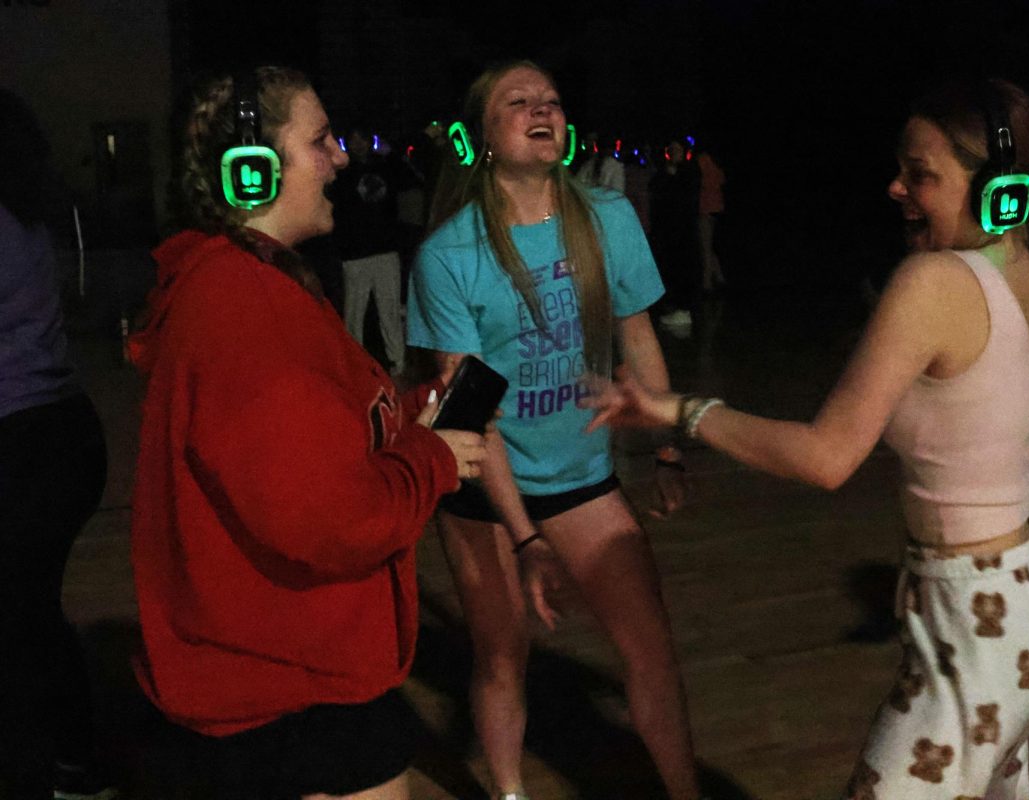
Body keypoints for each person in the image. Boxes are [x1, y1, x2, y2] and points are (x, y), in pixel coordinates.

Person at [592, 78, 1029, 799]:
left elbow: (825, 458)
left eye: (921, 174)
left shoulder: (933, 281)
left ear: (998, 187)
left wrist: (682, 410)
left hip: (975, 616)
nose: (896, 187)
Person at [128, 66, 487, 800]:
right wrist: (430, 458)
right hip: (290, 681)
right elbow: (333, 519)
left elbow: (314, 437)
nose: (342, 158)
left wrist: (415, 408)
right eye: (320, 142)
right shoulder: (244, 312)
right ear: (251, 171)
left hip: (287, 660)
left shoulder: (254, 281)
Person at [408, 60, 702, 800]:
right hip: (485, 485)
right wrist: (527, 539)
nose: (542, 110)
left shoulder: (607, 217)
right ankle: (510, 792)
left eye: (552, 101)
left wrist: (668, 446)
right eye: (519, 102)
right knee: (501, 657)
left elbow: (638, 339)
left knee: (651, 653)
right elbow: (469, 416)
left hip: (582, 479)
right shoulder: (450, 255)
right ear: (482, 134)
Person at [0, 87, 114, 800]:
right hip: (59, 433)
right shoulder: (27, 217)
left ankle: (65, 765)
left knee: (22, 615)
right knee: (28, 611)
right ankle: (71, 762)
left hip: (26, 443)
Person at [331, 119, 410, 373]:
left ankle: (397, 361)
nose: (357, 145)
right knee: (354, 314)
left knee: (390, 311)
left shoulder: (386, 166)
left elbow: (410, 175)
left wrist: (392, 153)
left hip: (385, 249)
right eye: (353, 140)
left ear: (370, 140)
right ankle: (355, 366)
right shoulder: (342, 173)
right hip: (354, 253)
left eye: (361, 139)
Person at [648, 139, 702, 331]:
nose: (673, 153)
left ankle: (684, 308)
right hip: (668, 231)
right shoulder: (664, 173)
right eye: (671, 149)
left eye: (677, 149)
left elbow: (686, 199)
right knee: (671, 267)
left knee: (684, 268)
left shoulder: (689, 173)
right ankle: (676, 306)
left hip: (684, 230)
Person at [695, 142, 726, 293]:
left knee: (705, 247)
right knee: (710, 245)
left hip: (705, 207)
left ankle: (707, 283)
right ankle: (719, 276)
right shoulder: (718, 161)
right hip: (717, 207)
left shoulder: (702, 160)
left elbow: (701, 183)